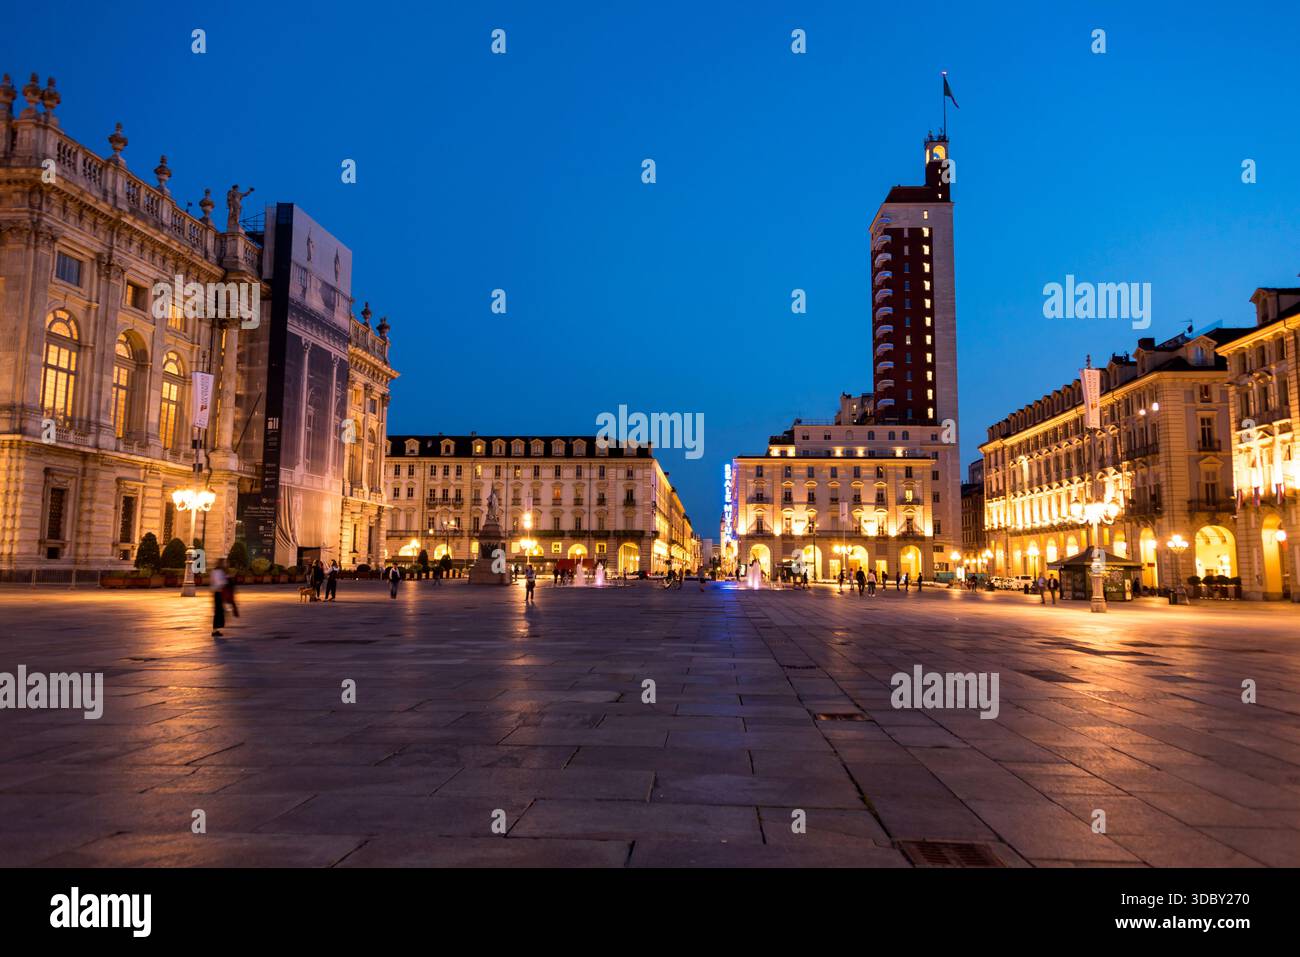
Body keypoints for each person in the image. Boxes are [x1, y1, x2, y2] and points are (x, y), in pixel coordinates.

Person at [210, 560, 228, 638]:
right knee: (218, 611)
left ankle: (216, 629)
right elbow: (218, 583)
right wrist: (225, 581)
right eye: (225, 563)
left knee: (219, 611)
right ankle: (215, 630)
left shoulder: (216, 571)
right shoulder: (218, 572)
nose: (226, 564)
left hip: (218, 592)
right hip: (218, 593)